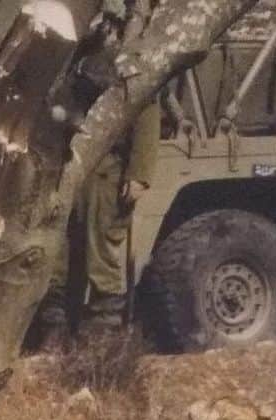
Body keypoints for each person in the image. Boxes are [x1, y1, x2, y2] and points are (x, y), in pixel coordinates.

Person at [39, 3, 162, 342]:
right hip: (70, 168)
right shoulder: (72, 62)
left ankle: (103, 330)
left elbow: (146, 119)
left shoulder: (127, 65)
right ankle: (56, 326)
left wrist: (138, 174)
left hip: (107, 172)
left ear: (111, 25)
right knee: (60, 253)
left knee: (100, 252)